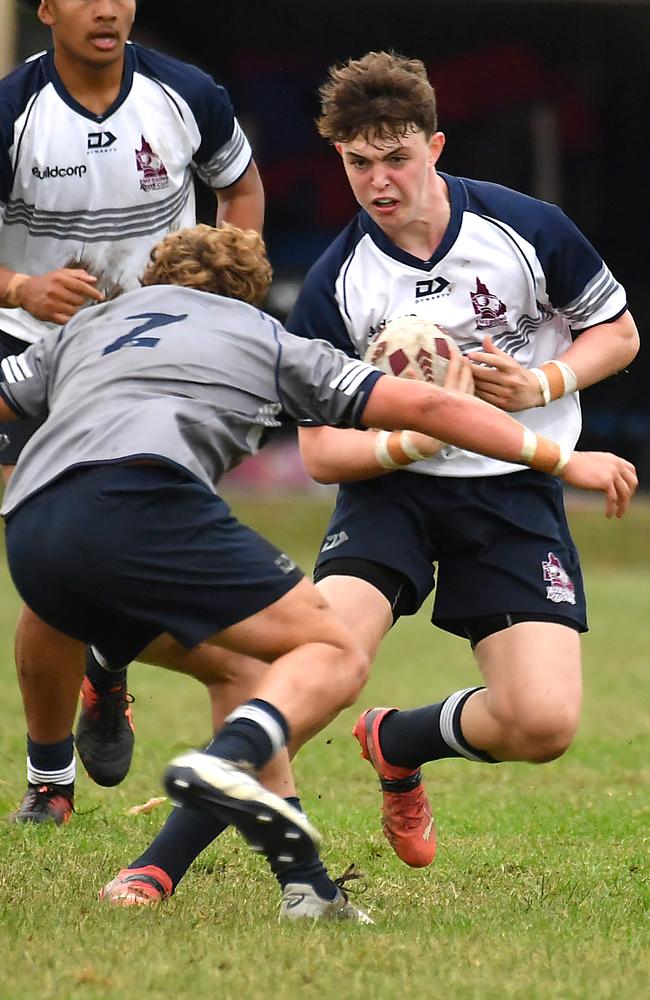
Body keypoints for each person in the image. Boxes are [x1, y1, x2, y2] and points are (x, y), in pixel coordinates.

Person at [98, 50, 640, 905]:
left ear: (435, 146)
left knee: (542, 724)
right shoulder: (337, 284)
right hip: (393, 493)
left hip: (510, 486)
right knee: (323, 659)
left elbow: (617, 332)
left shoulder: (525, 229)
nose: (378, 181)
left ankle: (398, 741)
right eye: (358, 163)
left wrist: (541, 384)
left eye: (396, 158)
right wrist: (406, 445)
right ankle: (157, 863)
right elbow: (320, 453)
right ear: (339, 160)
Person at [0, 223, 635, 923]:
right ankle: (215, 757)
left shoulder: (91, 326)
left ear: (155, 284)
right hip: (149, 510)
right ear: (250, 298)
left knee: (246, 673)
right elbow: (424, 404)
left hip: (33, 530)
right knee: (328, 648)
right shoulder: (263, 339)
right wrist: (565, 459)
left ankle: (305, 887)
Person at [0, 0, 264, 818]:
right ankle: (65, 754)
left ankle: (98, 681)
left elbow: (241, 190)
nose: (107, 8)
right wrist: (21, 287)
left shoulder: (188, 95)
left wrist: (221, 287)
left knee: (80, 567)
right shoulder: (13, 114)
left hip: (153, 361)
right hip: (26, 355)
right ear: (47, 9)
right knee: (49, 560)